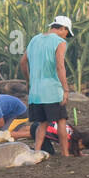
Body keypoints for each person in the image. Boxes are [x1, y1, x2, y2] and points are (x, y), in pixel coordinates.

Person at [19, 15, 73, 157]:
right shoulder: (60, 42)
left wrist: (29, 81)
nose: (66, 36)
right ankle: (65, 153)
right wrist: (66, 89)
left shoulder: (34, 39)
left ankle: (36, 152)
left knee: (42, 123)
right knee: (61, 120)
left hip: (36, 92)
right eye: (67, 32)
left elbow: (23, 62)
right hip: (52, 90)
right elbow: (60, 67)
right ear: (62, 28)